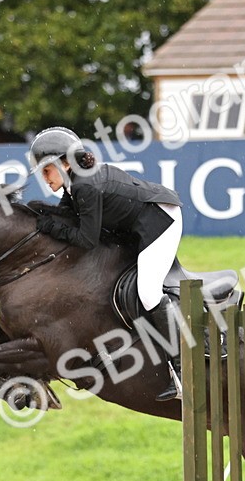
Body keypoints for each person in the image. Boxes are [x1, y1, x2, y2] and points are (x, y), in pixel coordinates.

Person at [28, 126, 185, 400]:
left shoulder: (84, 186)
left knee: (148, 291)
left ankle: (184, 368)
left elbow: (86, 239)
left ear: (64, 163)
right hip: (141, 223)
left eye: (47, 170)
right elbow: (65, 216)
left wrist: (49, 226)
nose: (44, 178)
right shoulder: (75, 182)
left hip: (162, 221)